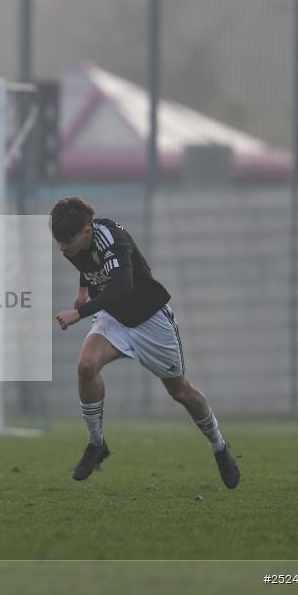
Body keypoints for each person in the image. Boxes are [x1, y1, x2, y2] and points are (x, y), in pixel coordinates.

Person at [50, 196, 239, 489]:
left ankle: (219, 445)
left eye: (67, 240)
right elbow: (85, 263)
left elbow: (121, 285)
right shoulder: (71, 241)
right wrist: (83, 288)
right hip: (113, 317)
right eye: (58, 239)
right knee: (86, 366)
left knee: (181, 392)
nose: (62, 246)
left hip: (150, 319)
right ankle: (96, 443)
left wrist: (78, 312)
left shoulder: (112, 239)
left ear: (87, 231)